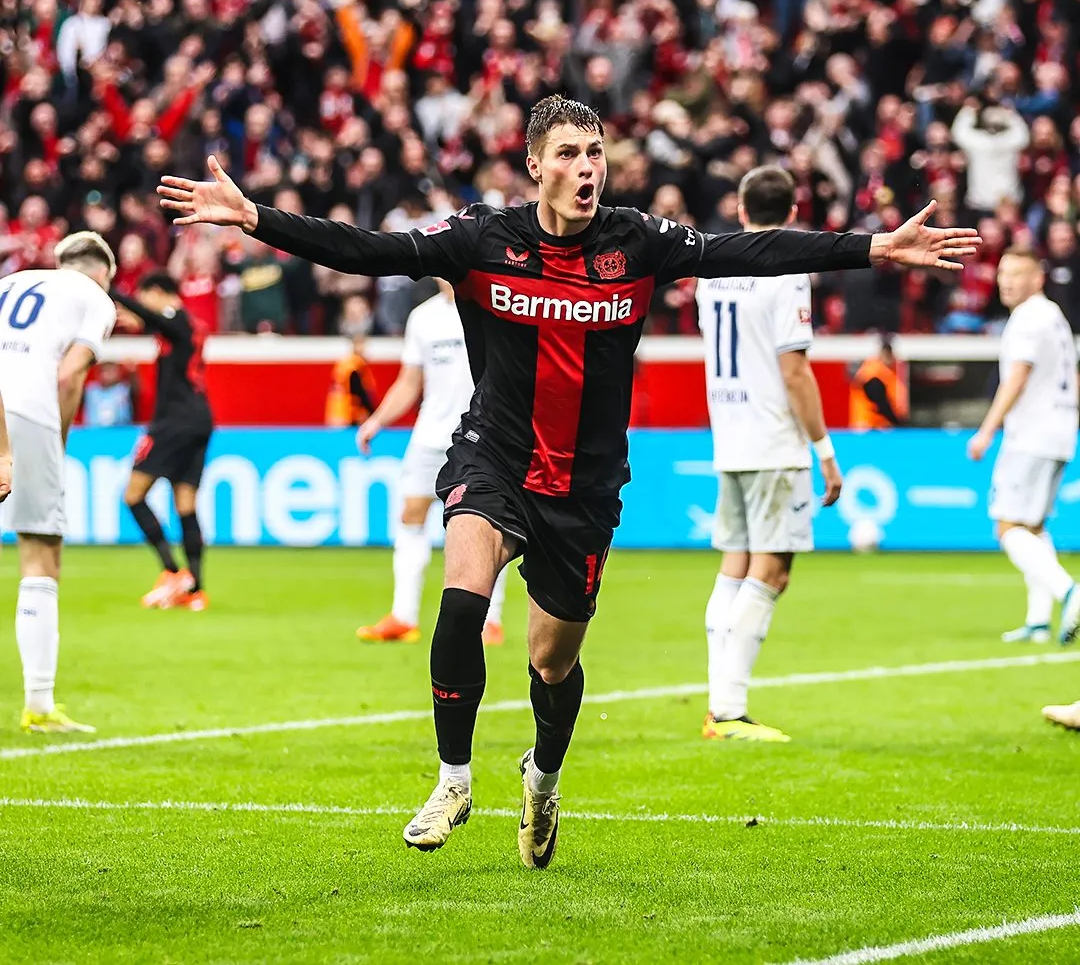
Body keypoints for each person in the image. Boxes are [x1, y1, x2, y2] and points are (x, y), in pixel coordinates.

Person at [158, 96, 978, 869]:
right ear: (535, 166)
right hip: (496, 456)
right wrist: (257, 218)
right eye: (571, 155)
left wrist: (870, 246)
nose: (589, 168)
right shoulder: (481, 239)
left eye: (596, 154)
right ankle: (453, 780)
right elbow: (371, 248)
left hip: (584, 488)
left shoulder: (637, 242)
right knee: (462, 596)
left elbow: (750, 251)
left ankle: (543, 780)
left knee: (552, 663)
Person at [697, 166, 844, 744]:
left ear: (740, 209)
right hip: (773, 440)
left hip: (728, 436)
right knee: (772, 569)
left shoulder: (714, 269)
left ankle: (719, 706)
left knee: (735, 564)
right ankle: (729, 711)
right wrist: (825, 450)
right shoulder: (786, 271)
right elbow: (794, 370)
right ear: (791, 214)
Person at [0, 231, 116, 733]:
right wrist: (49, 444)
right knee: (41, 552)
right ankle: (40, 706)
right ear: (102, 274)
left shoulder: (11, 282)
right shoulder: (94, 298)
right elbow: (69, 377)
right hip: (30, 411)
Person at [356, 279, 509, 647]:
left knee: (489, 523)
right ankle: (403, 616)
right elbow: (410, 382)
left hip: (484, 435)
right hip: (430, 435)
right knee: (410, 514)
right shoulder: (422, 318)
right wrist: (376, 421)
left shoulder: (494, 306)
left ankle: (491, 619)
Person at [968, 249, 1079, 644]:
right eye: (1002, 274)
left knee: (1007, 527)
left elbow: (1016, 377)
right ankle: (1038, 621)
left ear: (1038, 278)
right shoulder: (1054, 317)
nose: (1007, 282)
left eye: (1017, 273)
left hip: (1031, 433)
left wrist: (986, 430)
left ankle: (1070, 592)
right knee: (1033, 528)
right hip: (1060, 431)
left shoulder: (1029, 318)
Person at [112, 272, 214, 612]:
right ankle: (195, 588)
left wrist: (107, 287)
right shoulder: (190, 325)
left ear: (158, 293)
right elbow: (152, 322)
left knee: (133, 494)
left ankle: (171, 571)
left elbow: (154, 318)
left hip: (175, 422)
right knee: (185, 502)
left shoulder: (175, 319)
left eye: (146, 298)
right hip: (199, 420)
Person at [849, 336, 909, 429]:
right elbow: (878, 397)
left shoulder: (887, 371)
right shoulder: (873, 370)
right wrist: (896, 421)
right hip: (869, 425)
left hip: (880, 425)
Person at [325, 332, 377, 427]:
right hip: (348, 413)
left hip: (336, 411)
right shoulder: (355, 366)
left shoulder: (344, 363)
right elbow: (359, 391)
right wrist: (372, 412)